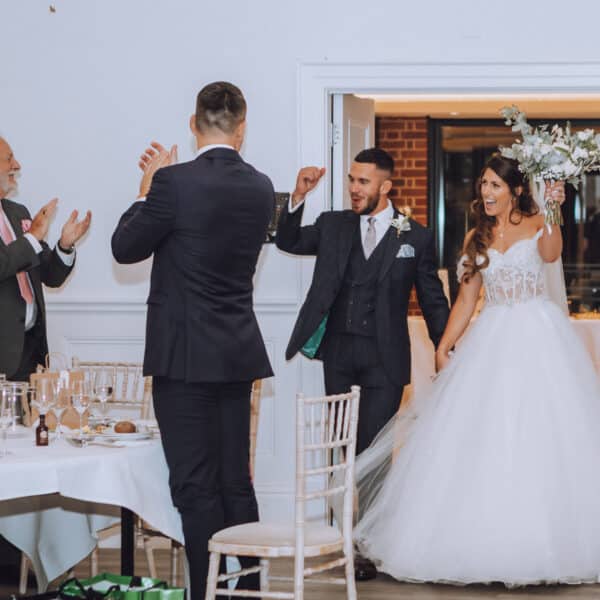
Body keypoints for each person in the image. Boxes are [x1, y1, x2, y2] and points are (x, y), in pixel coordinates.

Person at [353, 154, 600, 586]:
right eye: (483, 185)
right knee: (482, 435)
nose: (486, 193)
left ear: (516, 190)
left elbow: (552, 252)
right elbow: (466, 299)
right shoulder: (477, 236)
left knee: (541, 436)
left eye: (495, 186)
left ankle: (547, 543)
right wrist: (444, 344)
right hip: (492, 337)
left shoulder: (539, 223)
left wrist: (556, 211)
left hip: (539, 338)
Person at [111, 81, 274, 600]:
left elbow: (125, 247)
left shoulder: (173, 183)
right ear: (242, 127)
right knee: (235, 483)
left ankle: (205, 594)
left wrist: (146, 185)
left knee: (195, 487)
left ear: (192, 122)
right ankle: (244, 590)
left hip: (184, 359)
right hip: (237, 353)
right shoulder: (261, 187)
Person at [275, 147, 450, 580]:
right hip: (338, 354)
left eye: (363, 181)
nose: (354, 188)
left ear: (386, 186)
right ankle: (345, 539)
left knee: (373, 451)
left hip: (385, 359)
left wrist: (448, 347)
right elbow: (288, 240)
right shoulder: (333, 225)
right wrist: (296, 198)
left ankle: (368, 546)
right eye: (352, 180)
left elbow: (432, 299)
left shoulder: (415, 236)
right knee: (341, 448)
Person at [0, 135, 91, 582]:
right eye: (8, 158)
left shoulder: (17, 215)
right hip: (1, 359)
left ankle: (25, 563)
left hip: (32, 355)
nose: (17, 165)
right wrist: (33, 239)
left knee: (28, 461)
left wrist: (63, 246)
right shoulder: (24, 225)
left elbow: (45, 276)